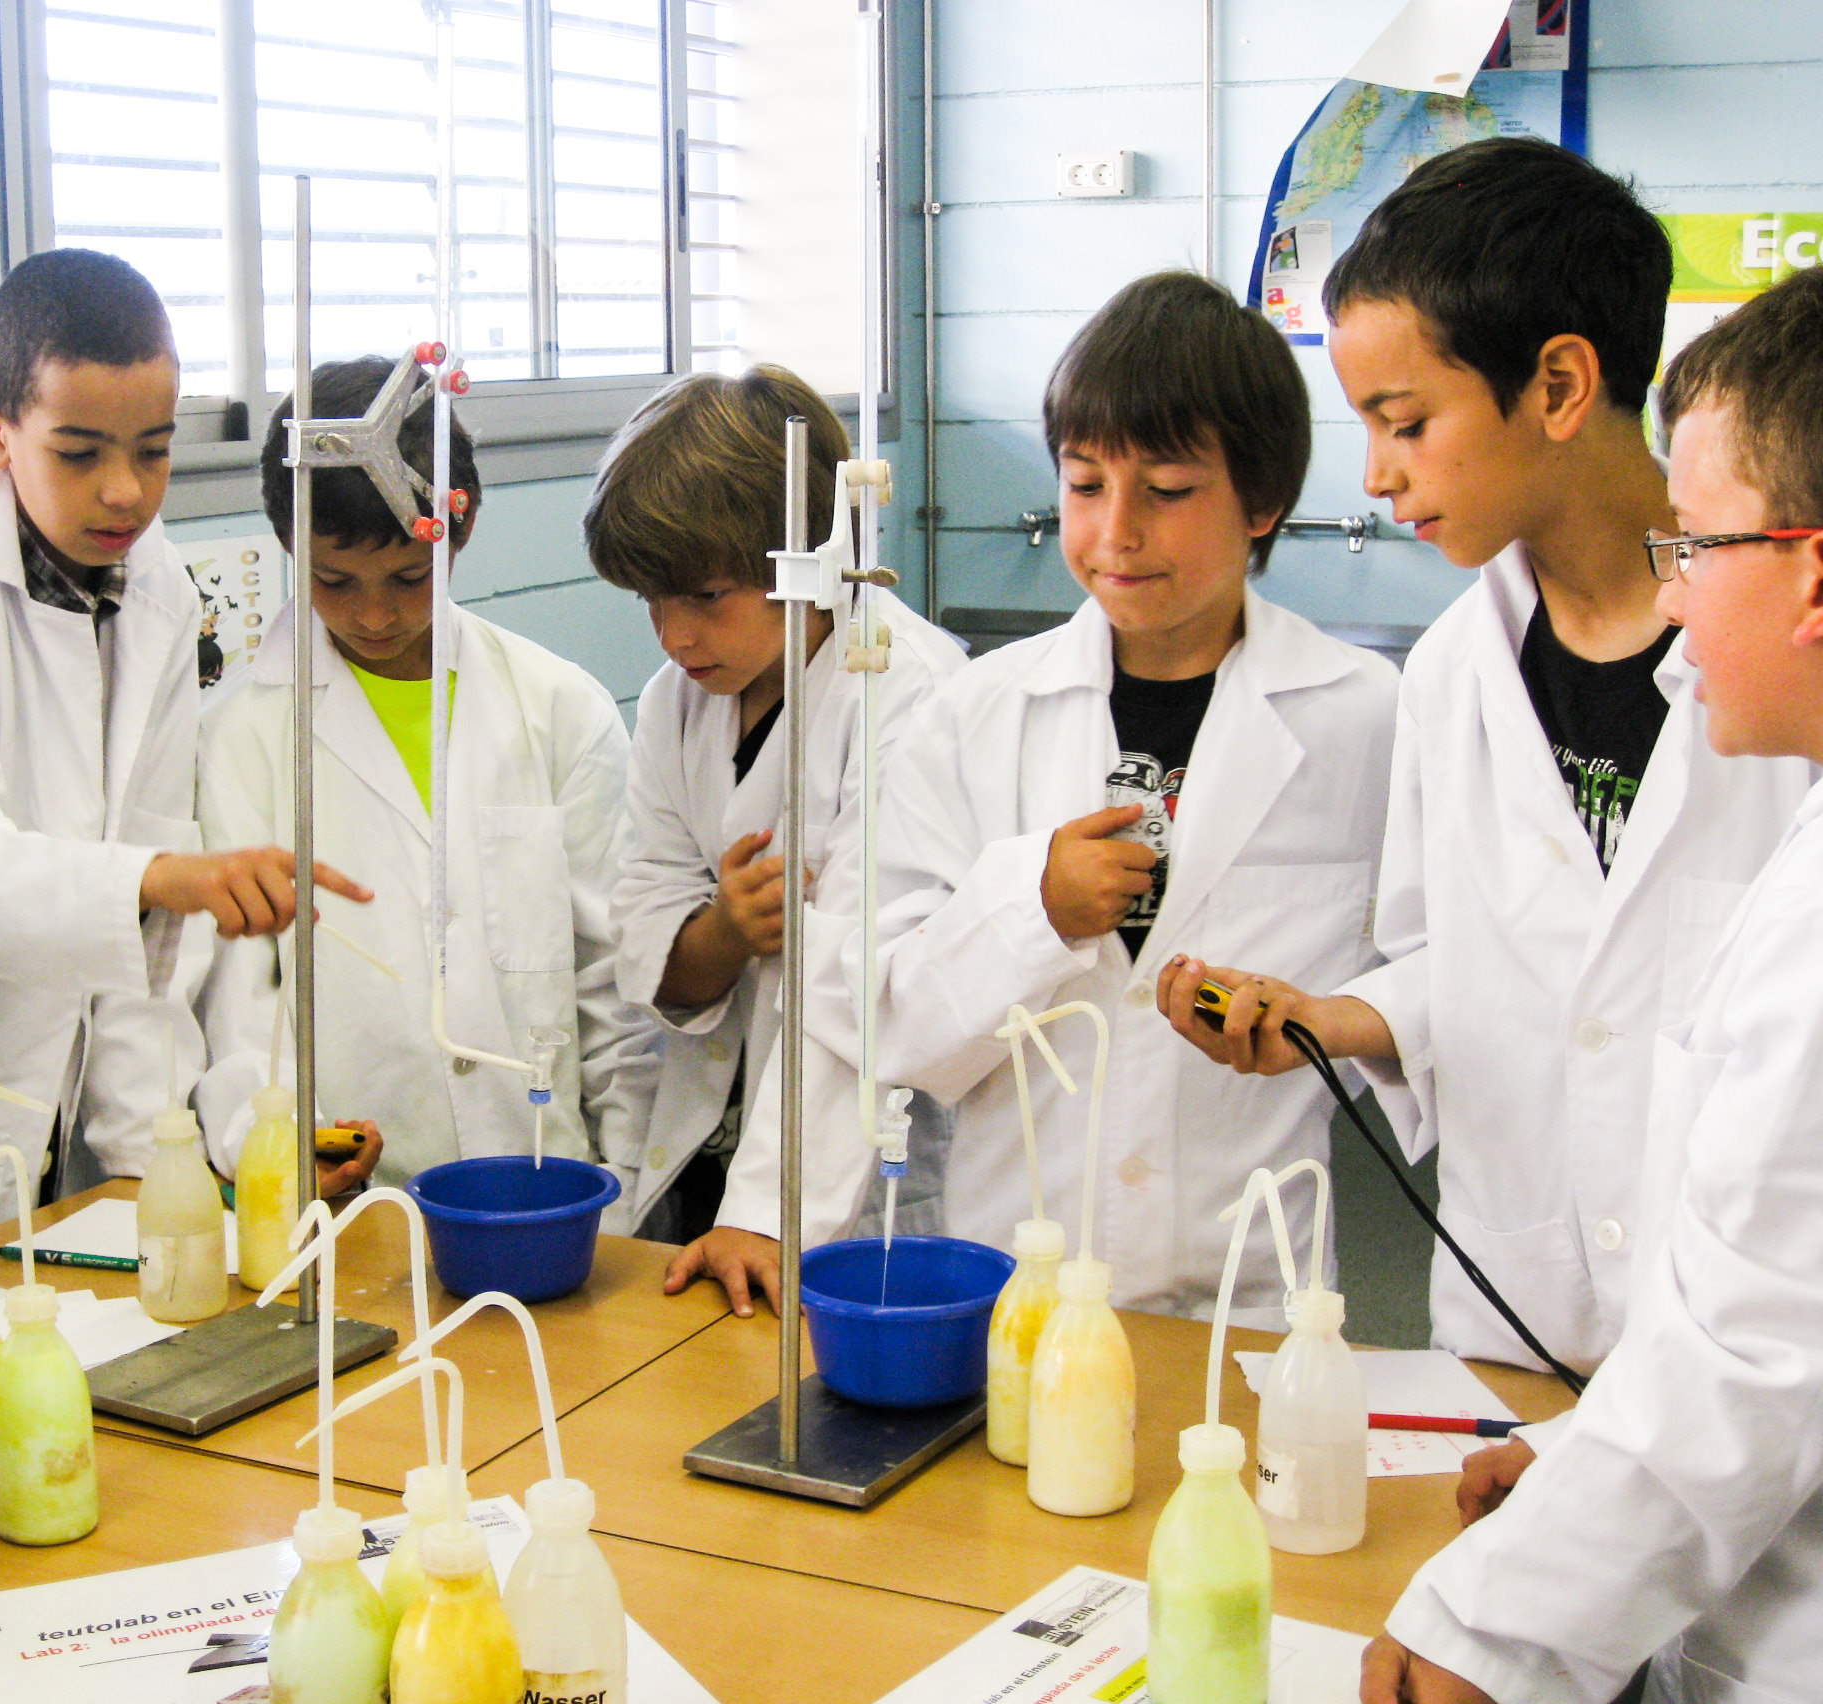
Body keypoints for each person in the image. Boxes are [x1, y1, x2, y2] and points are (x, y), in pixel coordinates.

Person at [1159, 139, 1814, 1371]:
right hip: (1514, 1311)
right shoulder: (1454, 674)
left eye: (1405, 422)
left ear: (1559, 385)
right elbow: (1448, 964)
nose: (1376, 475)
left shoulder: (1781, 665)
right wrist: (1336, 1019)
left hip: (1745, 1344)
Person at [1361, 263, 1823, 1704]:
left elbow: (1760, 1353)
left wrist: (1486, 1633)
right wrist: (1578, 1464)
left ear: (1812, 576)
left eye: (1698, 546)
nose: (1673, 592)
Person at [0, 250, 368, 1307]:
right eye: (79, 452)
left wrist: (151, 1155)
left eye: (154, 450)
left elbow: (142, 920)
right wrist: (158, 878)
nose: (124, 489)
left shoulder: (158, 588)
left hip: (59, 1075)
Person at [868, 271, 1396, 1320]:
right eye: (1083, 484)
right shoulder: (972, 718)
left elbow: (1436, 991)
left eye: (1167, 490)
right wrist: (1033, 911)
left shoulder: (1365, 717)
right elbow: (899, 1033)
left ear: (1262, 502)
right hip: (1021, 1277)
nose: (1115, 531)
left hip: (1250, 1287)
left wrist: (1324, 1020)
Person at [192, 356, 658, 1196]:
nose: (374, 614)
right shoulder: (240, 741)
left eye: (410, 578)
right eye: (333, 581)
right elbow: (239, 1003)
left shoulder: (559, 710)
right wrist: (284, 1143)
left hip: (549, 1188)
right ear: (289, 545)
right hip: (355, 1201)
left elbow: (612, 986)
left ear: (458, 532)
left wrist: (624, 1190)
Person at [583, 365, 963, 1300]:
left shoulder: (908, 693)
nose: (673, 637)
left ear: (816, 560)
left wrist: (768, 1207)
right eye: (651, 601)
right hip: (708, 1141)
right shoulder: (678, 703)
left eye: (705, 597)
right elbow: (647, 932)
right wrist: (726, 931)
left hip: (855, 1167)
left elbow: (866, 986)